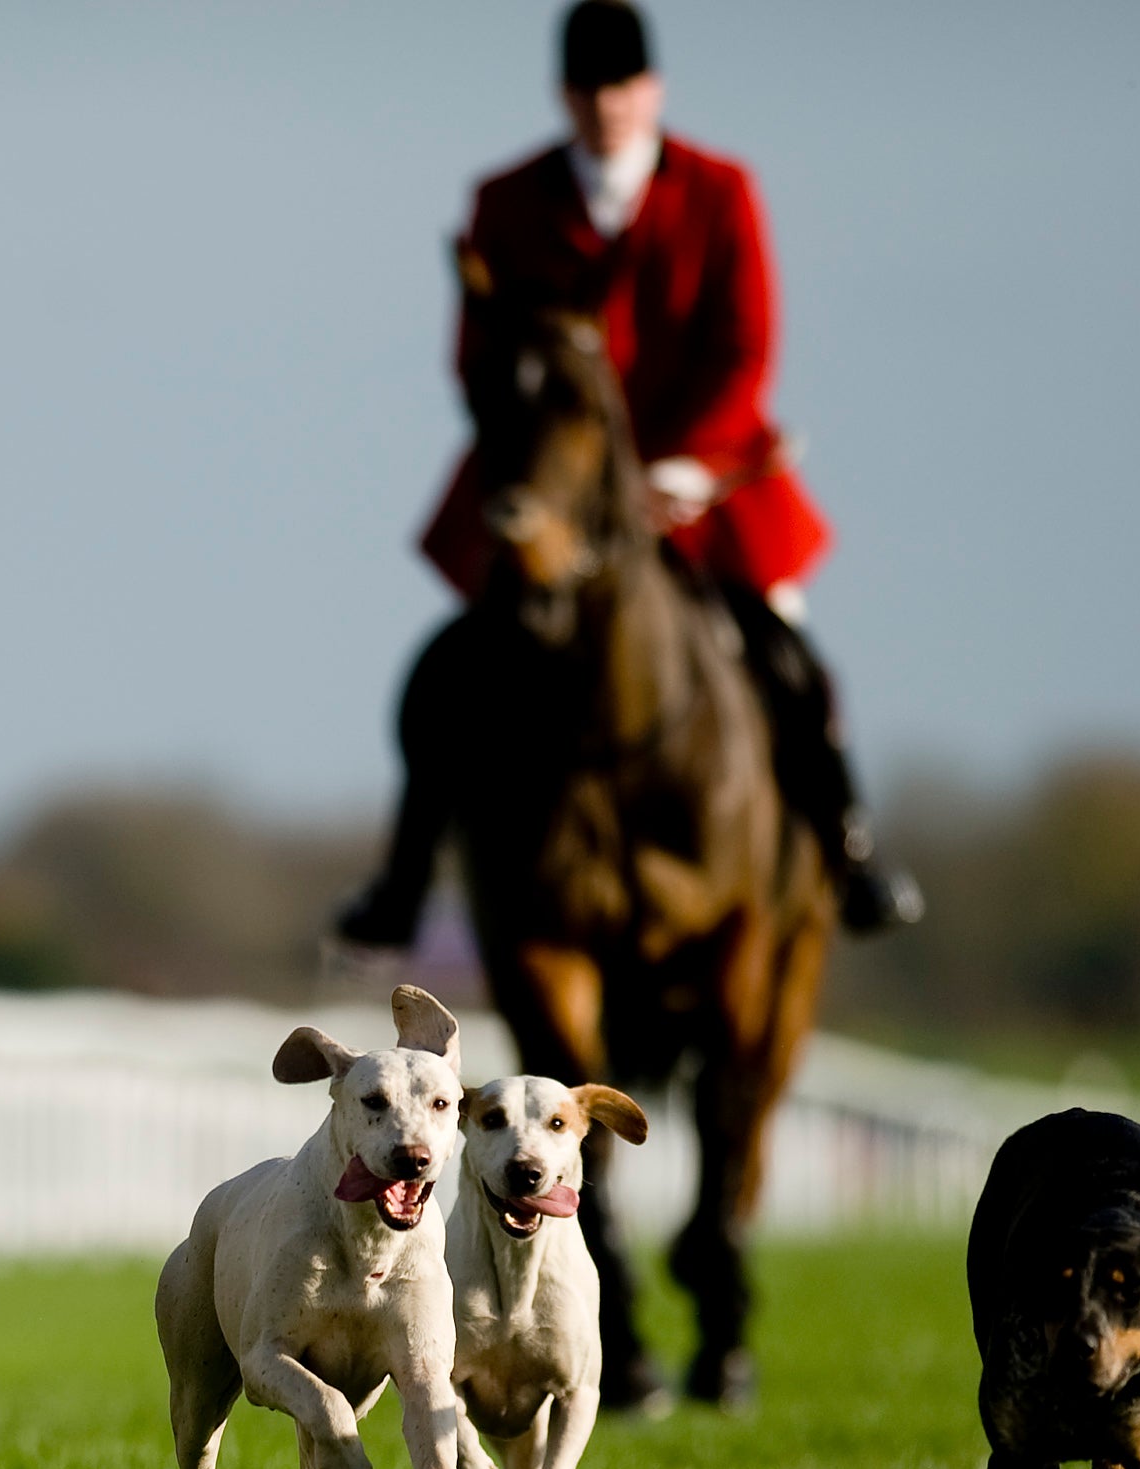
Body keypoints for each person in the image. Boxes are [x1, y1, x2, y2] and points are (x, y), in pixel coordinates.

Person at [339, 0, 916, 944]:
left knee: (790, 660)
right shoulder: (506, 200)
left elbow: (745, 350)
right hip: (557, 497)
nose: (608, 106)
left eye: (623, 88)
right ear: (564, 95)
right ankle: (402, 880)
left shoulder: (721, 191)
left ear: (653, 91)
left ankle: (851, 855)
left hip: (703, 486)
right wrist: (570, 478)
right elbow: (478, 361)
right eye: (590, 90)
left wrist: (673, 467)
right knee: (447, 678)